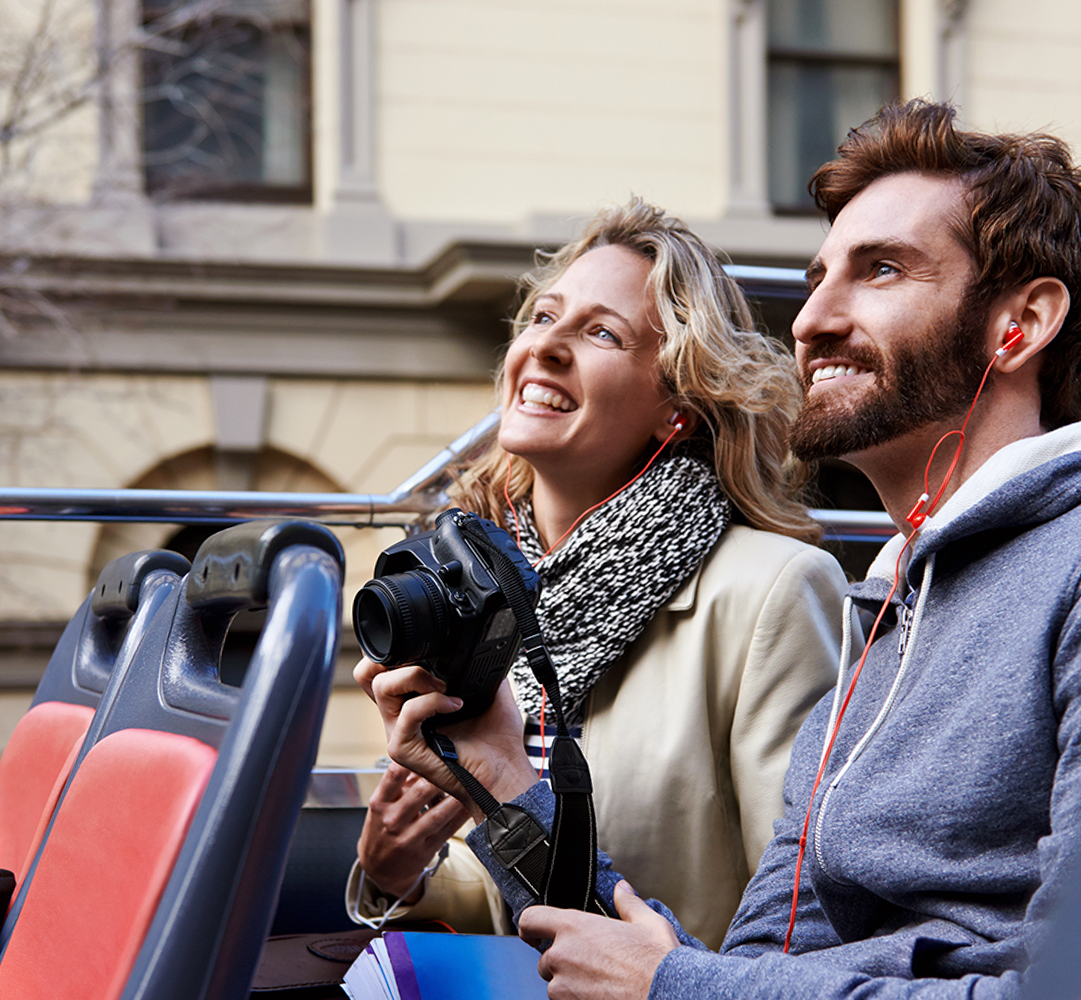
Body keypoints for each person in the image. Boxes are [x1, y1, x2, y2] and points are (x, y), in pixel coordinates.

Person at [364, 101, 1081, 998]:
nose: (811, 319)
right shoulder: (889, 609)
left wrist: (679, 988)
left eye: (882, 271)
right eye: (818, 276)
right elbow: (749, 972)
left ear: (1018, 323)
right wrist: (505, 778)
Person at [346, 197, 854, 949]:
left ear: (676, 406)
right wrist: (403, 872)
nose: (547, 346)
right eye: (544, 317)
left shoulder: (774, 591)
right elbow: (507, 900)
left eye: (601, 333)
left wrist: (505, 782)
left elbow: (796, 928)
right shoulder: (473, 590)